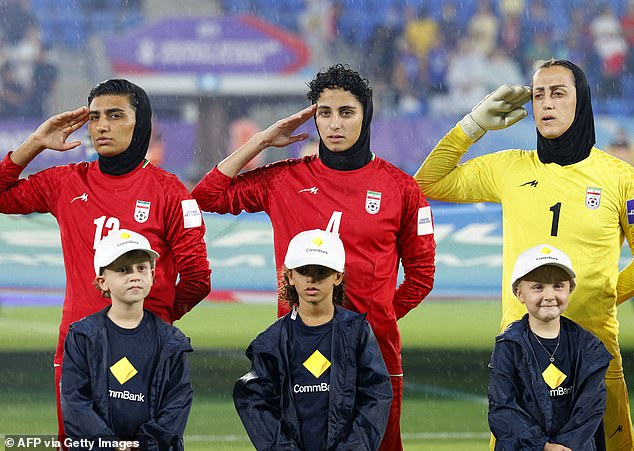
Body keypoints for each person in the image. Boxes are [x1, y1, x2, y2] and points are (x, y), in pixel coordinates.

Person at [193, 64, 435, 450]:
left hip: (374, 354)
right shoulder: (284, 180)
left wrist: (374, 320)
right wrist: (262, 140)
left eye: (346, 112)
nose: (335, 124)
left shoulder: (401, 189)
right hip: (295, 351)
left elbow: (421, 276)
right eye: (325, 113)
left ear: (366, 115)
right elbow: (207, 196)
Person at [416, 59, 634, 449]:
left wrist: (602, 295)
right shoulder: (510, 168)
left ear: (580, 101)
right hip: (519, 358)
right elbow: (428, 182)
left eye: (558, 93)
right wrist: (473, 125)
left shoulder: (621, 178)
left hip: (594, 358)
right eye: (538, 95)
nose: (546, 103)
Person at [0, 79, 210, 440]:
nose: (101, 126)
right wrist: (35, 142)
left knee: (148, 444)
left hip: (149, 350)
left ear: (140, 122)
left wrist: (155, 319)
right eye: (95, 117)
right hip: (79, 349)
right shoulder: (66, 182)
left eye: (115, 115)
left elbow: (197, 278)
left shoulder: (170, 191)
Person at [233, 229, 392, 450]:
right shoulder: (271, 341)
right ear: (290, 276)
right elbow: (255, 401)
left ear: (338, 277)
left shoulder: (356, 332)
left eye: (322, 271)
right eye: (303, 270)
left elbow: (376, 394)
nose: (311, 279)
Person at [62, 229, 193, 450]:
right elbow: (74, 401)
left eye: (141, 268)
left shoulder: (172, 341)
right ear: (103, 282)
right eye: (123, 269)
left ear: (152, 274)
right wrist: (110, 444)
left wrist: (144, 445)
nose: (135, 275)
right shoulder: (82, 336)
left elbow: (177, 403)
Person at [488, 244, 612, 450]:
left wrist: (564, 446)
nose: (549, 295)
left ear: (570, 289)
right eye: (538, 287)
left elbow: (590, 410)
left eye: (558, 286)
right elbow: (503, 409)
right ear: (519, 293)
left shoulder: (589, 346)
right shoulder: (508, 346)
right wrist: (542, 446)